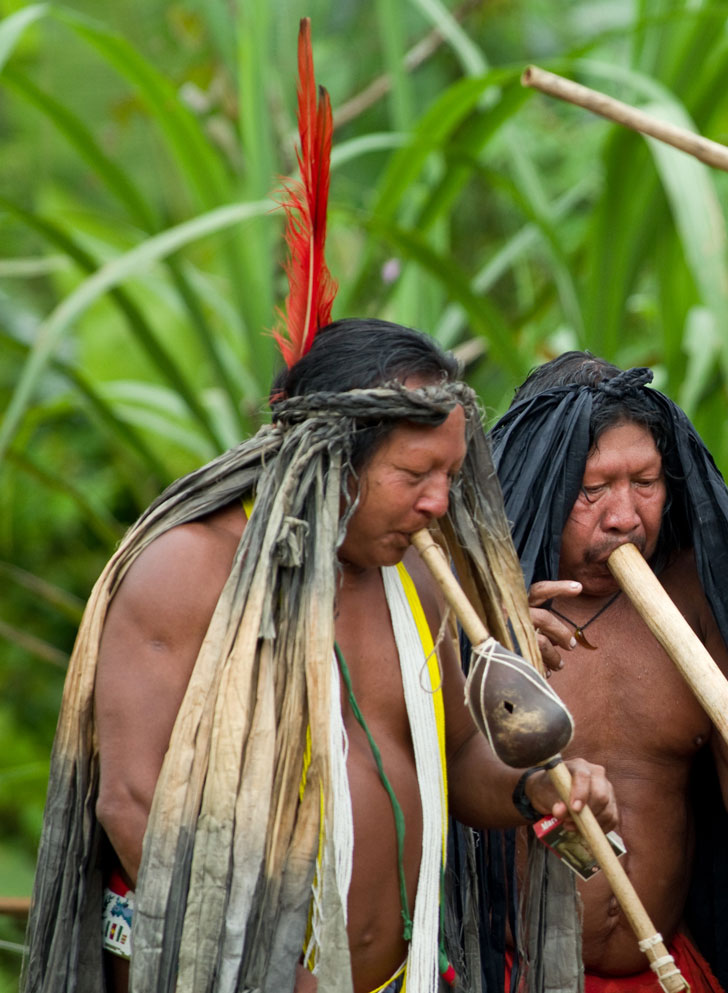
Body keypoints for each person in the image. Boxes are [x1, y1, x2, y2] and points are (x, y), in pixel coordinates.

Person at [23, 321, 618, 993]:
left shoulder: (422, 579)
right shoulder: (189, 569)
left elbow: (456, 759)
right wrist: (274, 975)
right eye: (414, 474)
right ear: (330, 456)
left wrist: (538, 785)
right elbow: (131, 802)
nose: (437, 502)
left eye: (450, 474)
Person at [484, 355, 728, 993]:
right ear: (543, 484)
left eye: (646, 483)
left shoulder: (695, 597)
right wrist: (493, 647)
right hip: (512, 973)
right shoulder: (477, 606)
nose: (624, 516)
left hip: (665, 974)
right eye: (591, 490)